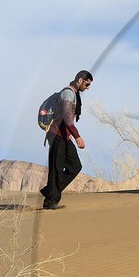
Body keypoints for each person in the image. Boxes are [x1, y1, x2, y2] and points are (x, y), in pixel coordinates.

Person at [41, 70, 92, 210]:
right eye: (87, 84)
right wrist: (77, 136)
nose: (88, 87)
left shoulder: (74, 94)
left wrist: (71, 134)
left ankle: (49, 190)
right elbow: (67, 117)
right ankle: (50, 202)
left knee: (75, 166)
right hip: (57, 135)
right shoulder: (68, 93)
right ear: (80, 80)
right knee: (56, 169)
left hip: (65, 135)